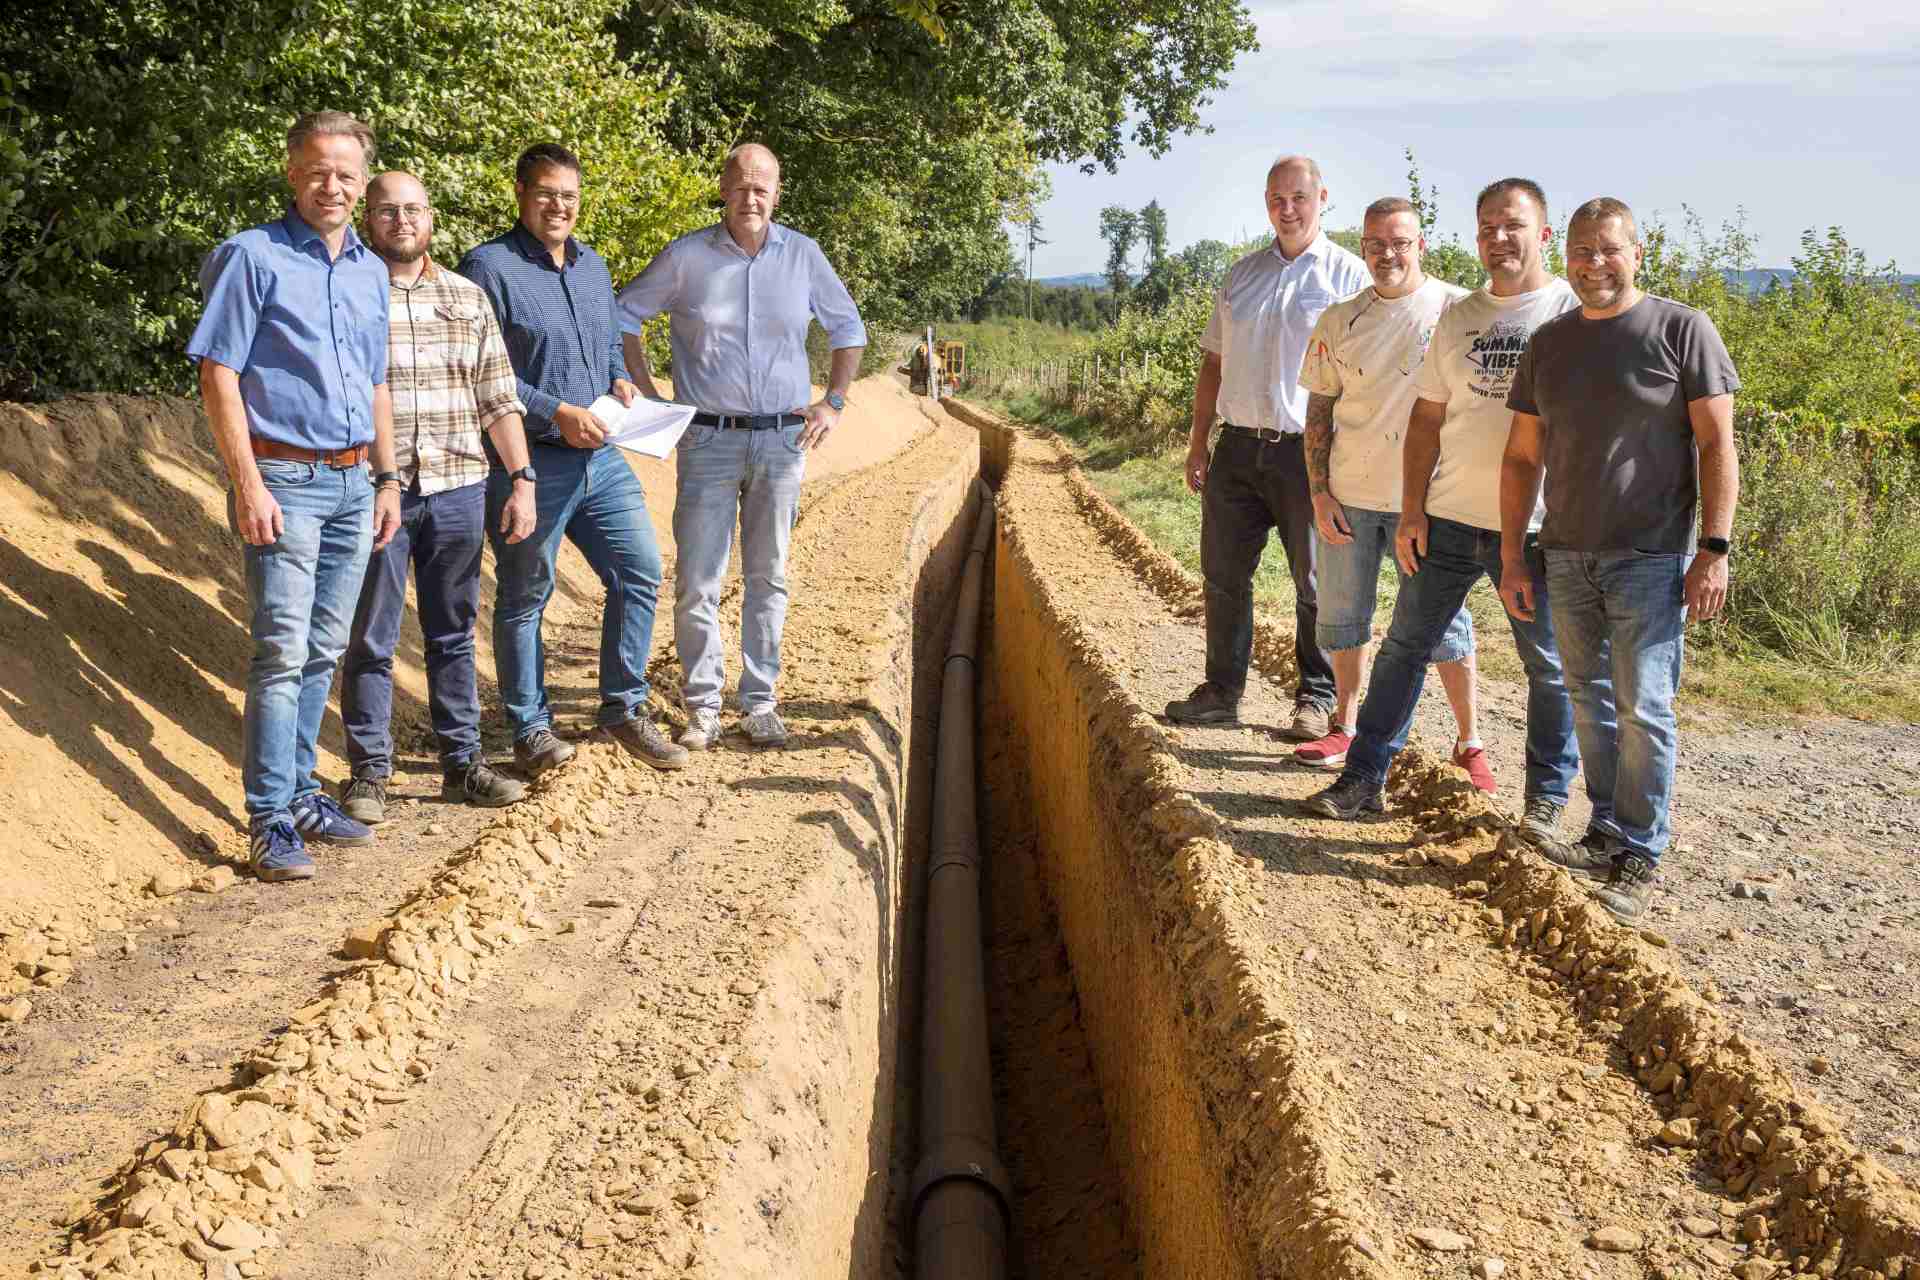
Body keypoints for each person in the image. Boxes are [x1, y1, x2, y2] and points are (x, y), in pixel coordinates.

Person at [1307, 178, 1589, 836]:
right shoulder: (1461, 317)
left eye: (1512, 226)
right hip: (1451, 516)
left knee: (1546, 664)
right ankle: (1363, 779)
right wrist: (1413, 512)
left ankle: (1545, 801)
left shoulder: (1571, 314)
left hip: (1541, 527)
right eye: (1487, 226)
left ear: (1542, 233)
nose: (1498, 238)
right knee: (1405, 648)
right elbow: (1427, 421)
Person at [1500, 196, 1740, 924]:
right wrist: (1514, 554)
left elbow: (1717, 445)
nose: (1593, 263)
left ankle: (1640, 850)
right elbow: (1520, 458)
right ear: (1563, 255)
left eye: (1608, 249)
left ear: (1637, 253)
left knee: (1646, 707)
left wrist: (1715, 549)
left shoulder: (1681, 330)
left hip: (1651, 553)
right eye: (1581, 250)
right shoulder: (1550, 343)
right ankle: (1605, 830)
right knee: (1588, 699)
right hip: (1566, 552)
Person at [186, 110, 402, 883]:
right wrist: (246, 482)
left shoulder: (372, 270)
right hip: (283, 479)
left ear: (363, 180)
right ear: (291, 173)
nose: (331, 185)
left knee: (323, 649)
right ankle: (269, 815)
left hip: (352, 482)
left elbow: (375, 382)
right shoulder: (252, 258)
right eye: (317, 170)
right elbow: (219, 372)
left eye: (346, 173)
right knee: (280, 651)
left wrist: (385, 478)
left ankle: (306, 792)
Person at [616, 142, 867, 750]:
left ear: (776, 194)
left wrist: (833, 402)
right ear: (722, 190)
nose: (751, 198)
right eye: (741, 186)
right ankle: (702, 707)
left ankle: (760, 704)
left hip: (783, 440)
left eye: (763, 188)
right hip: (707, 438)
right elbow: (623, 316)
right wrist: (651, 396)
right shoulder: (685, 257)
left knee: (769, 575)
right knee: (699, 578)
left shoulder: (803, 255)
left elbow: (848, 329)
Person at [459, 143, 687, 774]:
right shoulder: (488, 268)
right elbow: (486, 373)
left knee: (639, 570)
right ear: (521, 194)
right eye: (546, 194)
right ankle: (529, 728)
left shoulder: (593, 266)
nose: (558, 206)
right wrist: (555, 412)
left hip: (602, 456)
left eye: (569, 196)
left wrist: (620, 382)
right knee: (526, 593)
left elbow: (608, 346)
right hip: (529, 460)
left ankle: (621, 707)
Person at [338, 171, 539, 823]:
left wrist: (522, 479)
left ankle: (462, 765)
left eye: (413, 209)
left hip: (458, 488)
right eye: (387, 210)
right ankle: (369, 774)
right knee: (372, 634)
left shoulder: (466, 296)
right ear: (368, 218)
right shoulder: (348, 293)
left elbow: (498, 397)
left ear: (432, 218)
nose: (401, 220)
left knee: (453, 633)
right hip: (378, 491)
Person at [1166, 155, 1370, 739]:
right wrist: (1199, 441)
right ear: (1266, 203)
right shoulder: (1241, 276)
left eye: (1298, 197)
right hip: (1235, 449)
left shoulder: (1347, 278)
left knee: (1314, 580)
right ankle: (1221, 691)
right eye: (1277, 199)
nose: (1287, 209)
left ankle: (1316, 696)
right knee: (1224, 574)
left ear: (1322, 197)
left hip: (1305, 453)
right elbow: (1213, 362)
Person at [1298, 196, 1489, 787]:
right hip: (1350, 496)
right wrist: (1319, 492)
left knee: (1445, 625)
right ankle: (1346, 725)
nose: (1388, 254)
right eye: (1376, 243)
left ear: (1421, 245)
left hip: (1431, 501)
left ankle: (1469, 741)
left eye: (1400, 242)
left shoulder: (1459, 310)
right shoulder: (1339, 319)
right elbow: (1319, 409)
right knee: (1343, 617)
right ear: (1363, 248)